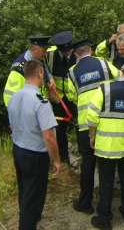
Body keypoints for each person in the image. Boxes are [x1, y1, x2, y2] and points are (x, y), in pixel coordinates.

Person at [87, 56, 124, 230]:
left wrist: (92, 136)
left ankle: (104, 219)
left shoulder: (104, 89)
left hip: (106, 146)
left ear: (121, 71)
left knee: (106, 182)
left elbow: (91, 116)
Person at [67, 39, 119, 214]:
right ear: (91, 50)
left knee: (87, 165)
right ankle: (105, 207)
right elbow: (119, 80)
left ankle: (86, 203)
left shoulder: (72, 72)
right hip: (106, 122)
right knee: (106, 166)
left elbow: (72, 95)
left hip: (85, 125)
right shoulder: (105, 63)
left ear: (76, 54)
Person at [8, 60, 60, 230]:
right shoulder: (41, 101)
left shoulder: (14, 96)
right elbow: (49, 136)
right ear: (40, 74)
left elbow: (12, 125)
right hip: (35, 155)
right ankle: (27, 223)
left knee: (24, 189)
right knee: (34, 194)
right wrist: (57, 160)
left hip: (18, 149)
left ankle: (31, 216)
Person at [45, 30, 77, 164]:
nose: (67, 54)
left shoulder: (77, 53)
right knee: (60, 129)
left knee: (80, 126)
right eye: (64, 52)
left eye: (68, 51)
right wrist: (49, 90)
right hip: (58, 98)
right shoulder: (50, 55)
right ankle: (64, 160)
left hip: (75, 98)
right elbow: (43, 71)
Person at [3, 35, 52, 106]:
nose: (46, 53)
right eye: (44, 50)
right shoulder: (19, 68)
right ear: (34, 49)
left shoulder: (39, 60)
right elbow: (9, 96)